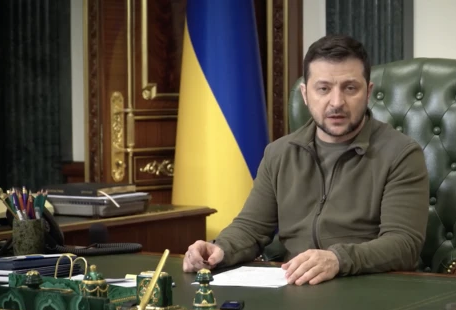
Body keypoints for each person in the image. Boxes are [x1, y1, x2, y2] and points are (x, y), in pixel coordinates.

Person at [183, 34, 429, 285]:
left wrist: (338, 259)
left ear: (368, 93)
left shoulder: (401, 153)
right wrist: (220, 249)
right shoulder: (280, 153)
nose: (336, 102)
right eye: (323, 89)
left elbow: (404, 245)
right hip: (296, 288)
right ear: (305, 93)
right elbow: (251, 228)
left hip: (369, 285)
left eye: (350, 88)